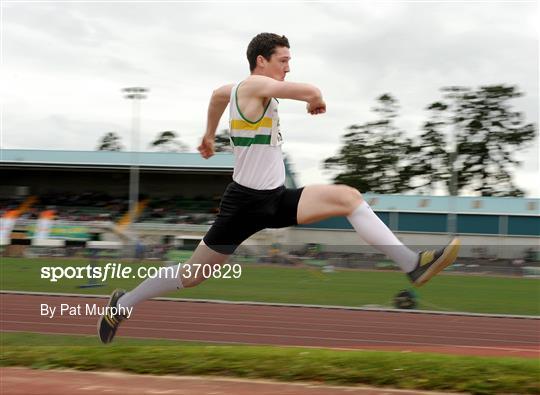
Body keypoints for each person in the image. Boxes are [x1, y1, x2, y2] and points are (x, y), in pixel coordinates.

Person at [98, 33, 460, 344]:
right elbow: (305, 90)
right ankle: (123, 304)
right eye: (283, 60)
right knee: (192, 276)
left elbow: (216, 95)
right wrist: (315, 97)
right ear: (262, 60)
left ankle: (412, 264)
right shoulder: (256, 85)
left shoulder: (239, 90)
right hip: (244, 205)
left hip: (275, 197)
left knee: (350, 198)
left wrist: (209, 134)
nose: (288, 67)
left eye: (290, 61)